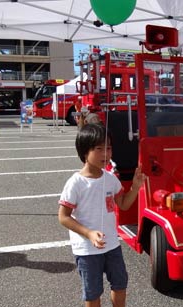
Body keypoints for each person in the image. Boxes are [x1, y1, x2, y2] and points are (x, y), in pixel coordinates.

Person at [58, 123, 146, 307]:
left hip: (112, 245)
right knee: (93, 294)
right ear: (84, 152)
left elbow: (123, 204)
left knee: (120, 286)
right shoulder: (76, 183)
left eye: (109, 148)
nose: (106, 154)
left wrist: (136, 187)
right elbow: (63, 217)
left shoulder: (110, 178)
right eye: (99, 149)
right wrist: (89, 233)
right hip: (87, 250)